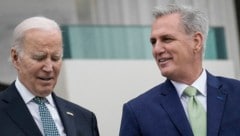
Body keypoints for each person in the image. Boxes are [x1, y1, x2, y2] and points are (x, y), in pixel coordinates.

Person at [120, 4, 240, 136]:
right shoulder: (138, 111)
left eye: (167, 39)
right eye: (153, 42)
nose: (157, 49)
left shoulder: (237, 94)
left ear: (196, 42)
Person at [0, 16, 99, 136]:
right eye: (39, 57)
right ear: (16, 58)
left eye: (55, 58)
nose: (49, 68)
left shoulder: (84, 119)